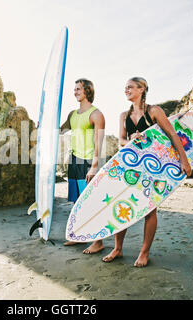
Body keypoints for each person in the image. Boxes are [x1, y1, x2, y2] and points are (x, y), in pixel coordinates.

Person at [100, 76, 192, 267]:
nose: (126, 90)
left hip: (152, 167)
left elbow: (172, 134)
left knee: (149, 210)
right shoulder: (123, 115)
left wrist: (184, 160)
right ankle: (118, 248)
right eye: (125, 88)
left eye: (130, 87)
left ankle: (144, 252)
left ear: (142, 89)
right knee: (120, 204)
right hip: (130, 166)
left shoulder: (154, 111)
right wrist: (132, 139)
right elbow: (121, 142)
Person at [60, 78, 106, 254]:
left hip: (87, 162)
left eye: (78, 89)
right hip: (74, 160)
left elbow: (98, 143)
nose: (75, 92)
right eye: (74, 89)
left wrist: (94, 166)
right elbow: (61, 129)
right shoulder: (72, 114)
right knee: (77, 201)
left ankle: (98, 241)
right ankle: (79, 235)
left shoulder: (96, 114)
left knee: (91, 202)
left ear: (87, 91)